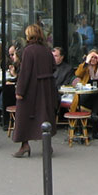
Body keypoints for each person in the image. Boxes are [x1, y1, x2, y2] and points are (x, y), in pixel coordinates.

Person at [11, 24, 56, 158]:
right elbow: (53, 67)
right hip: (46, 87)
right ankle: (47, 145)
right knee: (44, 114)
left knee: (24, 115)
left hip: (32, 88)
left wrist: (20, 91)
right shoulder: (46, 50)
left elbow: (25, 72)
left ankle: (24, 145)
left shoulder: (28, 51)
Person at [71, 49, 98, 140]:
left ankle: (94, 118)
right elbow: (78, 73)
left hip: (96, 98)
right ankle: (94, 128)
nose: (93, 59)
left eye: (95, 57)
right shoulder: (84, 66)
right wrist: (86, 62)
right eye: (91, 57)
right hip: (85, 97)